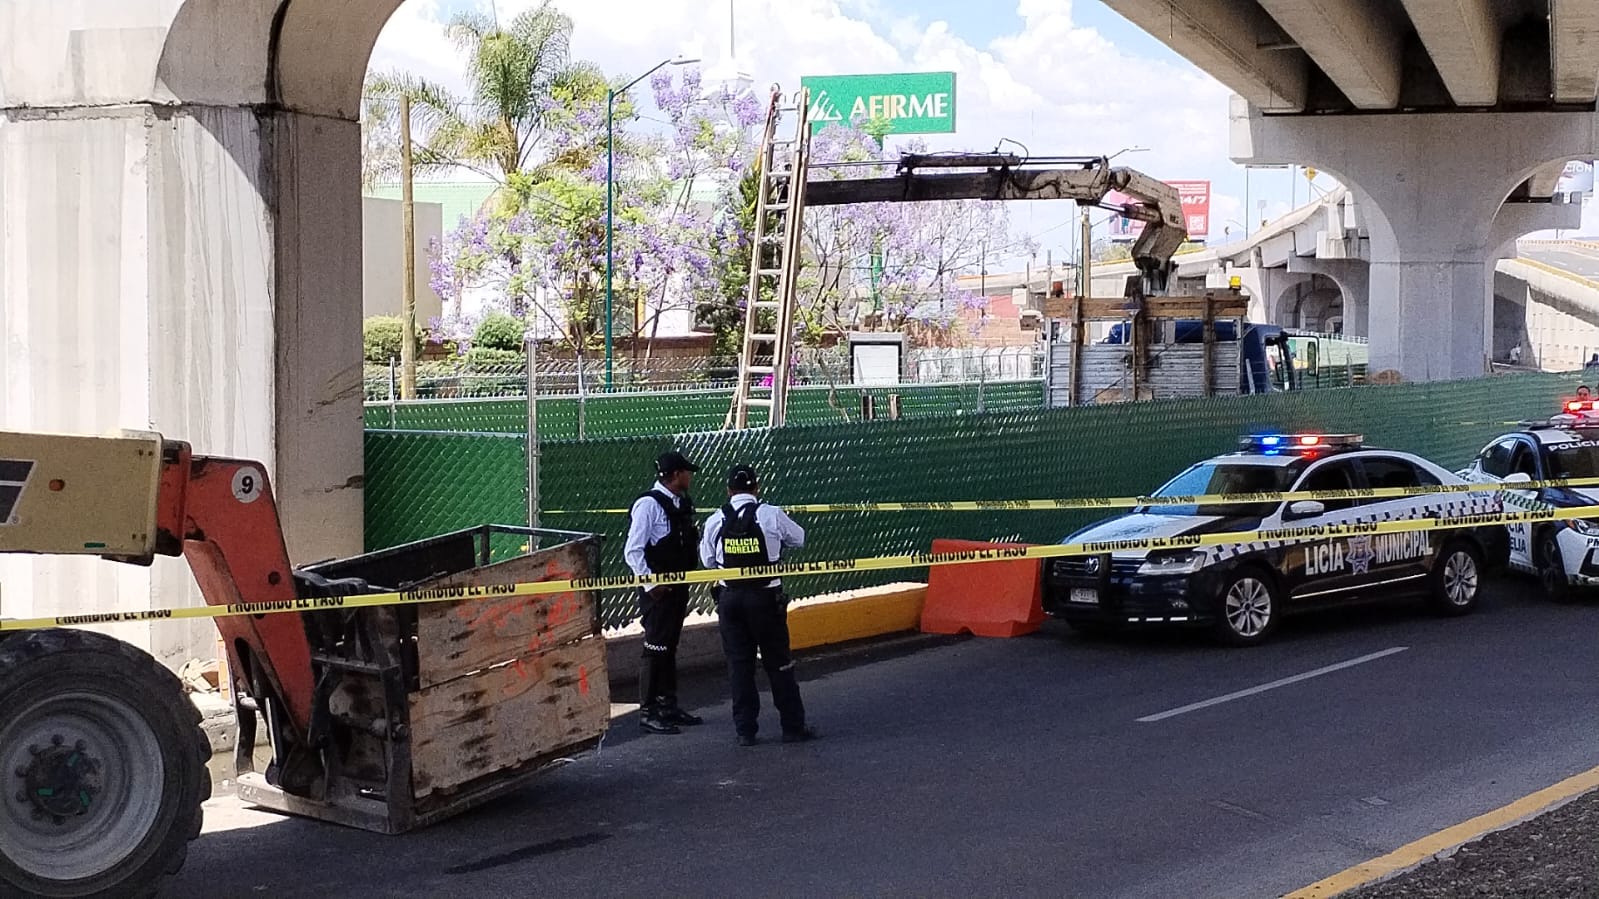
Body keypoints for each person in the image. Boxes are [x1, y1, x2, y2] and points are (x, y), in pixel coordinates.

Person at [699, 464, 816, 747]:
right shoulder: (770, 514)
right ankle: (792, 726)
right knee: (779, 664)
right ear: (757, 488)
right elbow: (799, 538)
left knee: (739, 666)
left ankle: (745, 731)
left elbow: (707, 561)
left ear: (729, 491)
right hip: (766, 600)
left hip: (730, 600)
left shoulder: (716, 520)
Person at [624, 451, 704, 735]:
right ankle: (648, 712)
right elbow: (633, 550)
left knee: (669, 646)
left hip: (677, 586)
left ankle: (667, 705)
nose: (689, 476)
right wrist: (651, 585)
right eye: (686, 472)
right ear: (674, 475)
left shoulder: (680, 503)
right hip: (658, 591)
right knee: (655, 647)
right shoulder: (649, 505)